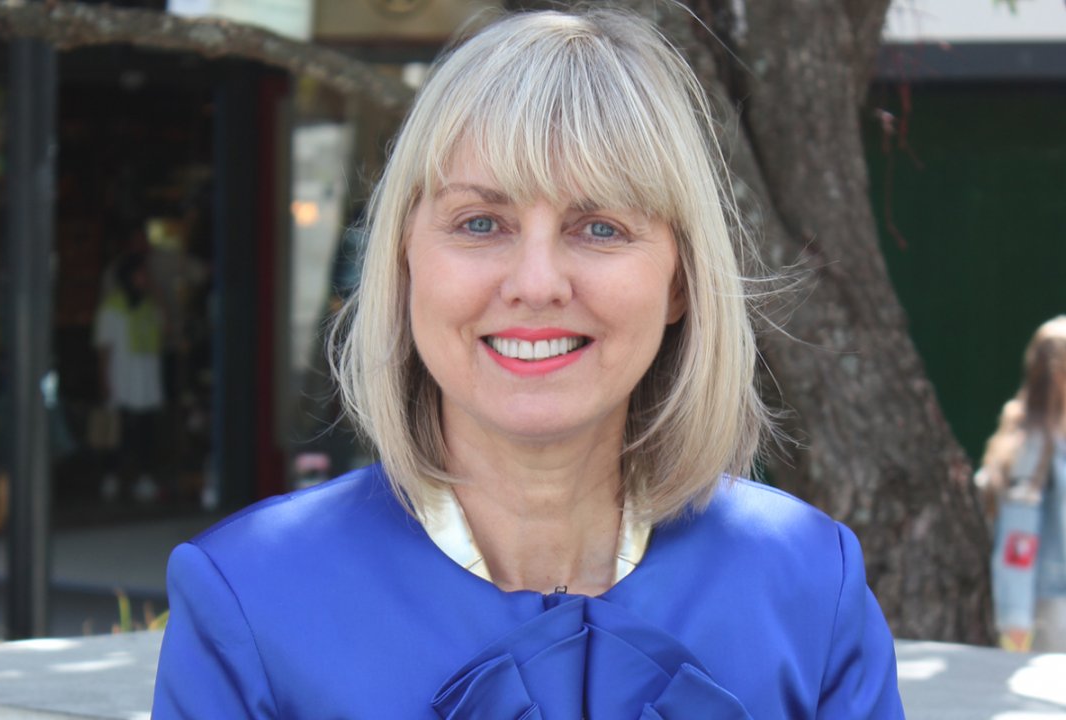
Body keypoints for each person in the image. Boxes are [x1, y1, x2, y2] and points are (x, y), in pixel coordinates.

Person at [153, 9, 904, 718]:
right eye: (481, 223)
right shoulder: (252, 597)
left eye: (599, 226)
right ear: (406, 261)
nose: (537, 284)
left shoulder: (807, 587)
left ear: (680, 281)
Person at [977, 316, 1066, 652]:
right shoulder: (1034, 447)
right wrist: (1016, 620)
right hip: (1052, 612)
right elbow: (1019, 539)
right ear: (1059, 374)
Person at [94, 250, 164, 503]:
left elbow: (164, 326)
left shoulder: (148, 305)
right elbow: (104, 347)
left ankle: (142, 478)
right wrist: (104, 379)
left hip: (145, 380)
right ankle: (111, 478)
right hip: (122, 378)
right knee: (118, 433)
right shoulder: (111, 307)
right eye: (140, 274)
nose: (144, 279)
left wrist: (156, 292)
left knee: (145, 431)